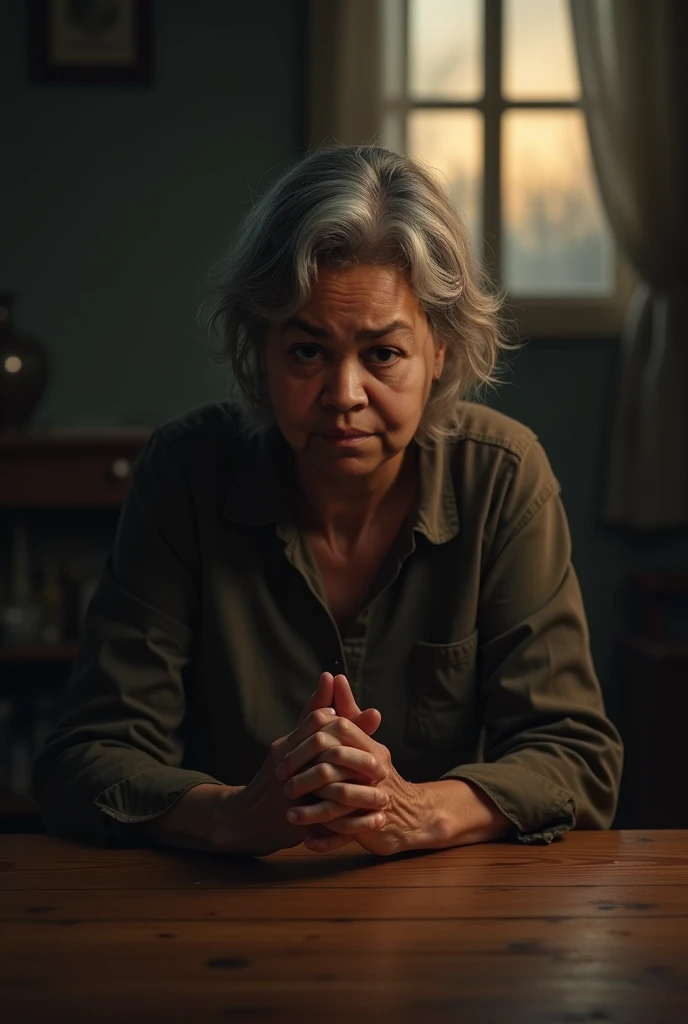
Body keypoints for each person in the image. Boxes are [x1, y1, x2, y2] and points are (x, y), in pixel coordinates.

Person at [31, 144, 624, 857]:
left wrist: (417, 812)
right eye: (308, 352)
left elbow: (576, 757)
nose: (344, 397)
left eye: (382, 354)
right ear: (260, 347)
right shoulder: (184, 473)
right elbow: (85, 756)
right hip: (220, 905)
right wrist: (233, 813)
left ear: (440, 350)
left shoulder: (502, 476)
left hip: (445, 916)